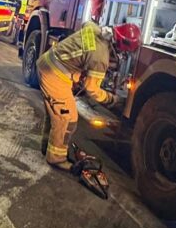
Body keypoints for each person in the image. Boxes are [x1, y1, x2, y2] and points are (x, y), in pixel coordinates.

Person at [37, 21, 141, 170]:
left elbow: (86, 25)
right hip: (54, 75)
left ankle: (47, 146)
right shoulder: (100, 58)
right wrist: (113, 100)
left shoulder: (93, 29)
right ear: (120, 46)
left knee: (55, 113)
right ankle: (56, 158)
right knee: (67, 118)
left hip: (48, 64)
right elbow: (92, 89)